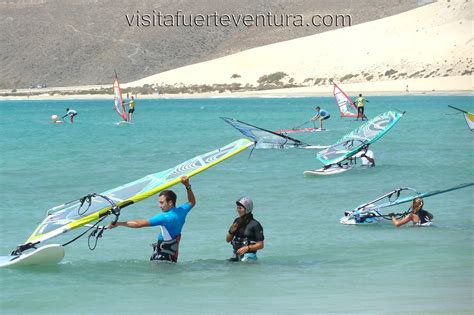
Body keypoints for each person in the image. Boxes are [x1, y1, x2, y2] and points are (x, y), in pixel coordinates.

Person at [108, 176, 195, 263]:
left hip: (161, 258)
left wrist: (118, 223)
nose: (159, 206)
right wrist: (187, 185)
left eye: (161, 203)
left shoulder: (164, 218)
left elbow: (139, 224)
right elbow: (192, 201)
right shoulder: (182, 211)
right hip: (172, 257)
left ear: (170, 202)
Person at [226, 197, 264, 262]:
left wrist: (247, 248)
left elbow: (261, 245)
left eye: (240, 208)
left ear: (247, 209)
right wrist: (231, 231)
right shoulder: (236, 221)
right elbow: (228, 240)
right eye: (237, 208)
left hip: (249, 257)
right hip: (235, 255)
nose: (238, 210)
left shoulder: (255, 224)